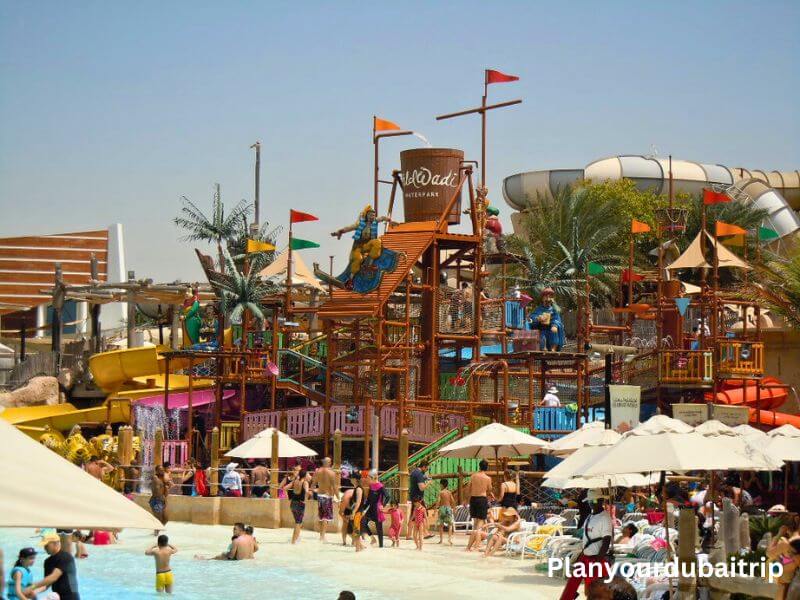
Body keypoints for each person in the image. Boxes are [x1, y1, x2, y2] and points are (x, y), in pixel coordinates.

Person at [559, 491, 612, 600]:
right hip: (585, 556)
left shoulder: (605, 517)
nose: (592, 503)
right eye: (590, 501)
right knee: (571, 585)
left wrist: (598, 561)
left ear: (601, 501)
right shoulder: (590, 517)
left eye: (595, 500)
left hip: (597, 558)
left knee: (592, 589)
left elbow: (606, 541)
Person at [31, 533, 80, 600]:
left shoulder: (66, 557)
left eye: (46, 545)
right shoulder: (47, 561)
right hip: (56, 597)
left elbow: (53, 577)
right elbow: (46, 584)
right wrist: (35, 591)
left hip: (71, 596)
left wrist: (33, 586)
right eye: (44, 545)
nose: (44, 547)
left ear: (56, 543)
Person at [466, 460, 494, 552]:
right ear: (487, 467)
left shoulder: (473, 476)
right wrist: (490, 492)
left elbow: (468, 488)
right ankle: (476, 546)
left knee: (475, 523)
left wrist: (466, 499)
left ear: (479, 466)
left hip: (473, 499)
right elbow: (489, 489)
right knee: (480, 524)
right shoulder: (487, 478)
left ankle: (470, 546)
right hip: (482, 499)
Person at [312, 457, 337, 542]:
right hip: (327, 496)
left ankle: (321, 535)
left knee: (321, 516)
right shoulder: (331, 473)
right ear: (329, 463)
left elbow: (313, 484)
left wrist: (312, 492)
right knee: (326, 518)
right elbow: (334, 487)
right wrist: (338, 496)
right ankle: (322, 536)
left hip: (319, 496)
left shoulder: (317, 471)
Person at [362, 469, 388, 548]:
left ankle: (381, 546)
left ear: (373, 477)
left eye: (369, 477)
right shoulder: (371, 486)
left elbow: (388, 496)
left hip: (377, 510)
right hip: (371, 508)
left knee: (379, 529)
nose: (367, 479)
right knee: (363, 522)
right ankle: (373, 538)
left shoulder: (380, 486)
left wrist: (383, 505)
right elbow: (369, 500)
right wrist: (363, 509)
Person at [284, 468, 310, 544]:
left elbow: (284, 488)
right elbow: (307, 492)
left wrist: (288, 498)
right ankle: (293, 541)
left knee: (299, 522)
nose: (308, 475)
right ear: (305, 475)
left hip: (293, 503)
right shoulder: (305, 483)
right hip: (300, 504)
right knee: (298, 523)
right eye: (307, 474)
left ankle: (297, 538)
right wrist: (305, 501)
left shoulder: (295, 481)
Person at [408, 461, 430, 539]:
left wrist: (424, 477)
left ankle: (410, 534)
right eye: (426, 468)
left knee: (414, 515)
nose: (427, 470)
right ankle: (425, 533)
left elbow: (417, 479)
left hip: (414, 497)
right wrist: (428, 483)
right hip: (418, 498)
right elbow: (422, 487)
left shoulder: (414, 472)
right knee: (423, 514)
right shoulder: (419, 474)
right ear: (423, 466)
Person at [348, 472, 366, 552]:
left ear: (355, 479)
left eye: (351, 478)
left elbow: (358, 502)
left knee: (356, 530)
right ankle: (360, 546)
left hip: (358, 512)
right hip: (356, 512)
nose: (350, 479)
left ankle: (358, 548)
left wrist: (353, 512)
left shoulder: (359, 489)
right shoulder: (356, 488)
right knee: (353, 530)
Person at [435, 479, 455, 545]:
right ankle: (449, 539)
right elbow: (452, 501)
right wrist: (454, 508)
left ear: (441, 485)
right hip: (448, 508)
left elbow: (438, 501)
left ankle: (441, 540)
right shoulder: (449, 492)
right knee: (450, 525)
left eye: (440, 485)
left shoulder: (441, 492)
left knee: (441, 525)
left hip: (442, 508)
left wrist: (435, 510)